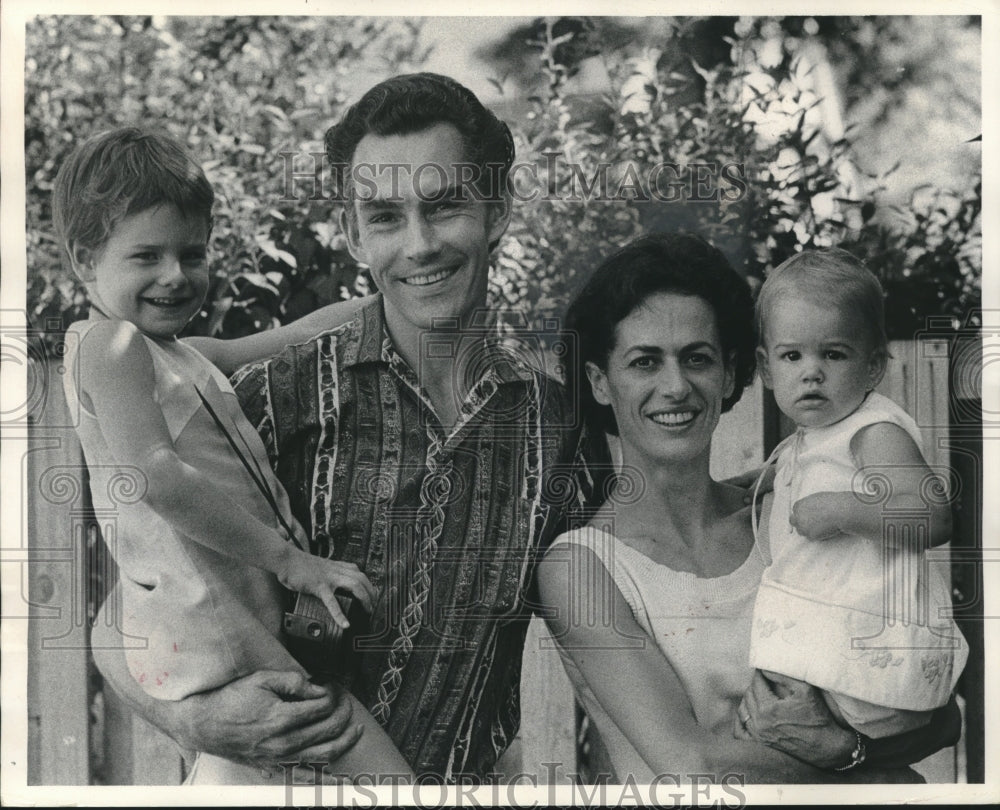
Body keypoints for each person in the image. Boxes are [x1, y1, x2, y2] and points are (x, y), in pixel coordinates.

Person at [90, 75, 959, 784]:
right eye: (385, 217)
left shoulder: (556, 433)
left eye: (445, 207)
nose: (419, 244)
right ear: (353, 233)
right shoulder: (269, 396)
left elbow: (658, 563)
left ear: (498, 208)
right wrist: (189, 716)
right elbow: (127, 604)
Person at [538, 233, 962, 784]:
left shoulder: (788, 515)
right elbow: (694, 766)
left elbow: (940, 717)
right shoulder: (581, 569)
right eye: (645, 362)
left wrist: (845, 746)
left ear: (730, 373)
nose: (676, 386)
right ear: (600, 382)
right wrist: (854, 763)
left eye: (698, 358)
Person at [55, 127, 409, 784]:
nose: (175, 275)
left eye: (192, 254)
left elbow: (295, 336)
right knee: (367, 760)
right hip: (213, 623)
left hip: (230, 618)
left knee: (278, 771)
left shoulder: (179, 355)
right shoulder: (110, 345)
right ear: (85, 258)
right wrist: (292, 562)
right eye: (147, 256)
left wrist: (390, 297)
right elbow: (156, 477)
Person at [747, 248, 967, 741]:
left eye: (834, 354)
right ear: (767, 367)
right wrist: (756, 483)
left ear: (872, 367)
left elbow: (932, 517)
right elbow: (806, 473)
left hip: (870, 660)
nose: (812, 372)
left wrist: (842, 510)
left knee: (760, 739)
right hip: (838, 653)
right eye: (792, 356)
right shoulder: (814, 438)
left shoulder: (874, 432)